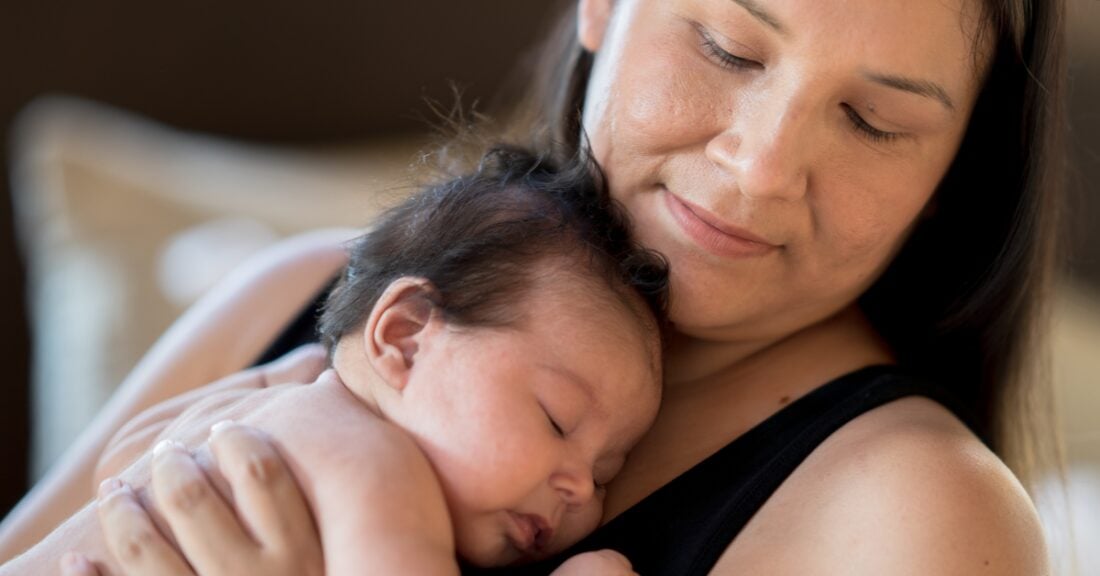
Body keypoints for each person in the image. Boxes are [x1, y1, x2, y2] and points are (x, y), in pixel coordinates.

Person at [0, 0, 1066, 574]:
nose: (760, 167)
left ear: (949, 174)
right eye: (724, 45)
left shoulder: (915, 524)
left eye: (872, 122)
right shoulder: (293, 295)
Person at [0, 146, 670, 575]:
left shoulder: (249, 404)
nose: (582, 489)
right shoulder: (375, 468)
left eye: (608, 471)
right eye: (557, 421)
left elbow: (119, 466)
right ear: (405, 337)